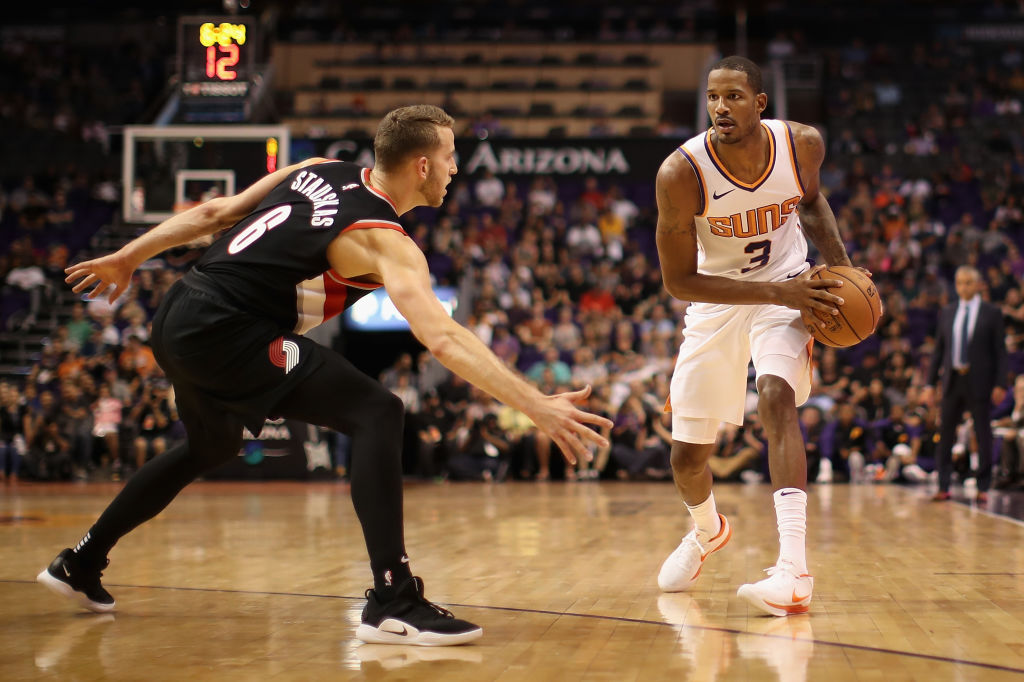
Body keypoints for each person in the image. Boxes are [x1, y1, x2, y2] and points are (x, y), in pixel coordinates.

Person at [37, 105, 611, 646]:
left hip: (180, 311)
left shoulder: (318, 169)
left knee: (212, 445)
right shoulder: (384, 239)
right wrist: (536, 403)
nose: (457, 168)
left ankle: (81, 562)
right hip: (229, 328)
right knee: (377, 411)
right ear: (422, 165)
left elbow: (215, 213)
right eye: (452, 156)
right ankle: (393, 600)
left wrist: (129, 257)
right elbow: (442, 338)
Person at [653, 56, 853, 616]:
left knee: (775, 396)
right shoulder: (682, 172)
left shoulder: (802, 146)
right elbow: (678, 280)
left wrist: (840, 268)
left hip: (787, 286)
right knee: (687, 457)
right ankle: (707, 529)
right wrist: (777, 295)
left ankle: (794, 567)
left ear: (760, 103)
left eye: (734, 96)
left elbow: (811, 202)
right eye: (714, 97)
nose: (721, 107)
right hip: (715, 301)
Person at [926, 265, 1009, 503]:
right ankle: (943, 485)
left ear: (978, 284)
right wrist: (930, 384)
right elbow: (939, 351)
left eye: (968, 283)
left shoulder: (992, 313)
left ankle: (983, 486)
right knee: (945, 434)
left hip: (980, 380)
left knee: (982, 433)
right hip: (953, 379)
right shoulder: (948, 311)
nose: (963, 287)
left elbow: (1000, 352)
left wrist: (1000, 383)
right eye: (960, 282)